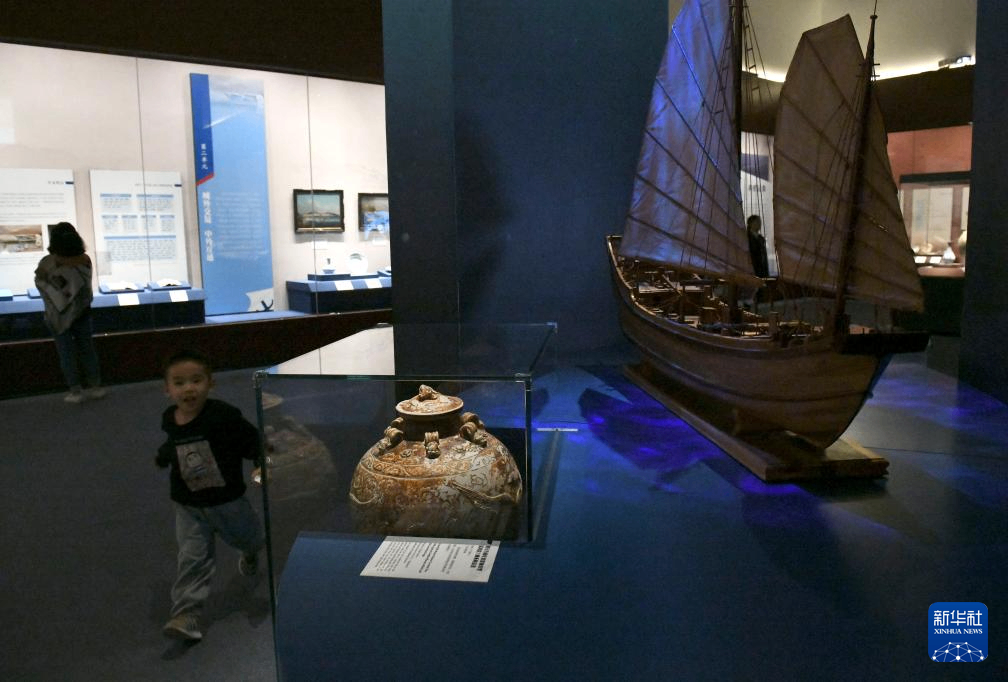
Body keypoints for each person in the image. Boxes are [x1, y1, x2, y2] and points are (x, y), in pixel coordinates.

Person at [156, 349, 265, 642]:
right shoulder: (170, 419)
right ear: (167, 390)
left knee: (251, 539)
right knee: (192, 558)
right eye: (179, 383)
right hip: (188, 504)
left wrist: (260, 461)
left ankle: (250, 553)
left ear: (210, 384)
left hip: (227, 501)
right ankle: (186, 614)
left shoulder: (223, 416)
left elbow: (251, 439)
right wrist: (164, 456)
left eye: (196, 380)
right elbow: (174, 443)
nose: (188, 389)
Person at [34, 222, 105, 403]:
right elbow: (83, 288)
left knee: (66, 353)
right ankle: (95, 387)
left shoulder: (47, 263)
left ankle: (75, 391)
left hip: (58, 316)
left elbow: (41, 283)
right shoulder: (85, 260)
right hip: (83, 312)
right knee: (87, 349)